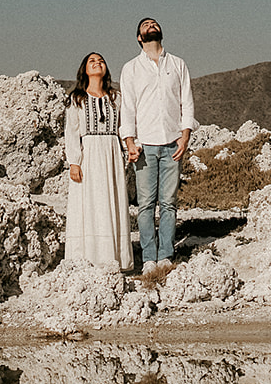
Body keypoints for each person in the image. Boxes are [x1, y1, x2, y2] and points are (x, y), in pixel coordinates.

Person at [119, 18, 196, 274]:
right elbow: (128, 108)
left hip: (173, 142)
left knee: (169, 203)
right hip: (145, 145)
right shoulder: (131, 68)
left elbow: (187, 102)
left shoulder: (178, 64)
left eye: (154, 23)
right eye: (145, 25)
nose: (151, 25)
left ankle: (166, 255)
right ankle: (149, 257)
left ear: (161, 32)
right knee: (146, 204)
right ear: (139, 37)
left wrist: (185, 137)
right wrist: (129, 141)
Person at [64, 51, 133, 271]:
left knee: (112, 200)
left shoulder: (116, 97)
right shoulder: (77, 98)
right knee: (90, 202)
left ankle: (114, 258)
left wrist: (130, 146)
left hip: (111, 153)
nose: (97, 63)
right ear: (84, 69)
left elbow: (124, 126)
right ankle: (87, 258)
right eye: (92, 61)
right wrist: (74, 161)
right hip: (89, 154)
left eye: (101, 61)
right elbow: (72, 131)